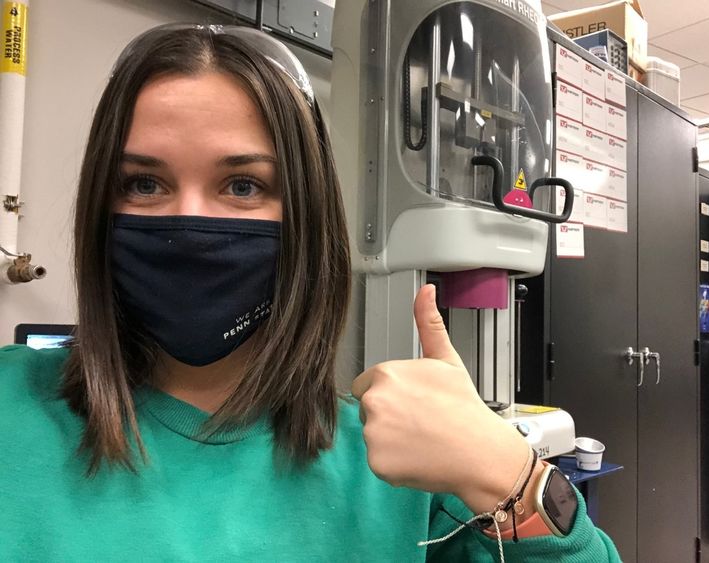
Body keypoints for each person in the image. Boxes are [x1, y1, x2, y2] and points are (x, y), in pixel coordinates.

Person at [0, 24, 620, 562]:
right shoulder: (12, 409)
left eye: (242, 186)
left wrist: (510, 472)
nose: (187, 222)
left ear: (307, 216)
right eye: (142, 183)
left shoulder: (401, 469)